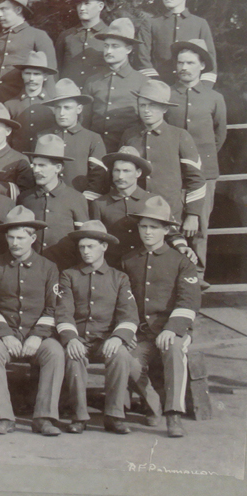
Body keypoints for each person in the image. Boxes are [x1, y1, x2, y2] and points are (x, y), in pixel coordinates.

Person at [122, 195, 202, 438]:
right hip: (143, 333)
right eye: (143, 226)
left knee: (175, 349)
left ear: (166, 230)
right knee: (127, 359)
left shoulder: (181, 262)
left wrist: (172, 328)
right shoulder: (128, 260)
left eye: (154, 227)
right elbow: (123, 300)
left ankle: (174, 415)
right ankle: (153, 403)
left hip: (173, 329)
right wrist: (129, 332)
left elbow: (188, 301)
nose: (147, 232)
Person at [0, 206, 65, 436]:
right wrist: (5, 334)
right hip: (4, 334)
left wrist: (38, 336)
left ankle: (44, 417)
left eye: (20, 237)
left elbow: (52, 307)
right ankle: (4, 417)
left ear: (33, 238)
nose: (15, 243)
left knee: (55, 353)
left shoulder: (48, 268)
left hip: (37, 335)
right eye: (10, 237)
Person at [56, 221, 138, 434]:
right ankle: (80, 416)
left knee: (120, 355)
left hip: (106, 340)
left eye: (90, 246)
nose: (85, 251)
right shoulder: (69, 275)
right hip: (80, 337)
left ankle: (114, 415)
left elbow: (128, 314)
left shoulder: (119, 278)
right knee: (74, 356)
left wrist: (118, 337)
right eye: (82, 247)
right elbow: (64, 311)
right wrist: (71, 338)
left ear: (104, 247)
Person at [168, 39, 227, 274]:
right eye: (181, 62)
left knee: (200, 228)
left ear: (202, 66)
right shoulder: (168, 94)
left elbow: (219, 136)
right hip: (173, 174)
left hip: (204, 176)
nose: (184, 67)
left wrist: (201, 164)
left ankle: (197, 282)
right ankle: (173, 282)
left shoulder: (214, 98)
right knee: (172, 227)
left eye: (191, 62)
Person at [121, 80, 206, 232]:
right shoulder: (129, 135)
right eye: (142, 105)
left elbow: (196, 179)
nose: (147, 110)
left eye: (153, 105)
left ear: (165, 108)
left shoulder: (179, 135)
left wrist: (193, 215)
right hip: (136, 213)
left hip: (170, 213)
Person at [18, 133, 91, 269]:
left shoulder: (76, 198)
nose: (36, 170)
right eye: (34, 165)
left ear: (58, 168)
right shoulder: (25, 198)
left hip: (64, 269)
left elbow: (84, 238)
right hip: (31, 271)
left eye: (42, 165)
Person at [137, 0, 217, 83]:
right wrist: (155, 84)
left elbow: (210, 59)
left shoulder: (200, 24)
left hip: (190, 88)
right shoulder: (150, 23)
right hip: (158, 86)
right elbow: (142, 59)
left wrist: (202, 88)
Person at [0, 0, 56, 103]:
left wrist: (49, 106)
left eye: (4, 10)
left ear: (18, 10)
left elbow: (50, 75)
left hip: (22, 105)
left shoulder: (38, 36)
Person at [84, 17, 149, 153]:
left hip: (129, 150)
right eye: (106, 46)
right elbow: (85, 121)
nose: (108, 52)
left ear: (128, 49)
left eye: (115, 46)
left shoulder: (142, 82)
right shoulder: (93, 81)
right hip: (96, 150)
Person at [43, 78, 108, 198]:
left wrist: (83, 201)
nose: (61, 113)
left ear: (79, 109)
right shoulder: (44, 137)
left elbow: (98, 176)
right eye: (58, 108)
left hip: (80, 200)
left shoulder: (92, 138)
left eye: (67, 108)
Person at [55, 0, 113, 87]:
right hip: (69, 99)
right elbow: (56, 70)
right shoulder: (67, 36)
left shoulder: (111, 35)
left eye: (87, 3)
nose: (81, 8)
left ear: (100, 6)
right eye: (79, 4)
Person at [5, 51, 57, 153]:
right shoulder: (10, 105)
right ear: (22, 75)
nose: (31, 78)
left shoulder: (53, 106)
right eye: (28, 73)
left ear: (45, 77)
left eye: (36, 74)